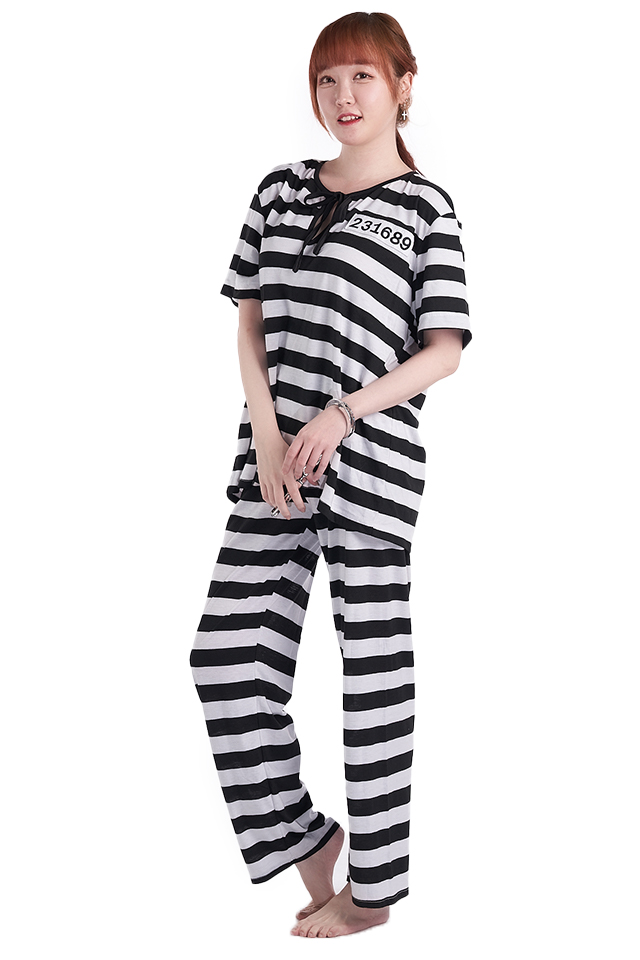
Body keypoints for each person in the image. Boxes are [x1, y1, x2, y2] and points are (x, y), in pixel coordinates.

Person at [190, 11, 471, 939]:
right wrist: (270, 432)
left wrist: (344, 412)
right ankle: (313, 846)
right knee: (227, 662)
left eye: (361, 77)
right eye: (327, 79)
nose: (343, 96)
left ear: (402, 86)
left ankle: (374, 890)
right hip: (273, 469)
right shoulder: (278, 190)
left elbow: (443, 351)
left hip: (372, 471)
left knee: (373, 680)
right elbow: (249, 319)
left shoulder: (426, 210)